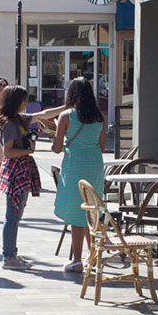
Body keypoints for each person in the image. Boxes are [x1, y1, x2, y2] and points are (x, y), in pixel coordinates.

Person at [0, 85, 61, 271]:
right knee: (12, 215)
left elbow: (44, 114)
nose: (26, 103)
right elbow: (8, 152)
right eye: (23, 100)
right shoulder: (10, 124)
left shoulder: (19, 120)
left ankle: (12, 253)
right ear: (16, 101)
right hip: (16, 169)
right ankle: (8, 256)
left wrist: (66, 107)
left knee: (16, 214)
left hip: (21, 168)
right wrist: (29, 149)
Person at [51, 78, 106, 273]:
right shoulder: (99, 117)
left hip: (75, 165)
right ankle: (93, 256)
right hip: (95, 164)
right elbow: (102, 146)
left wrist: (57, 134)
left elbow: (57, 149)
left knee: (76, 213)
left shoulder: (66, 116)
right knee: (92, 210)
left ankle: (77, 260)